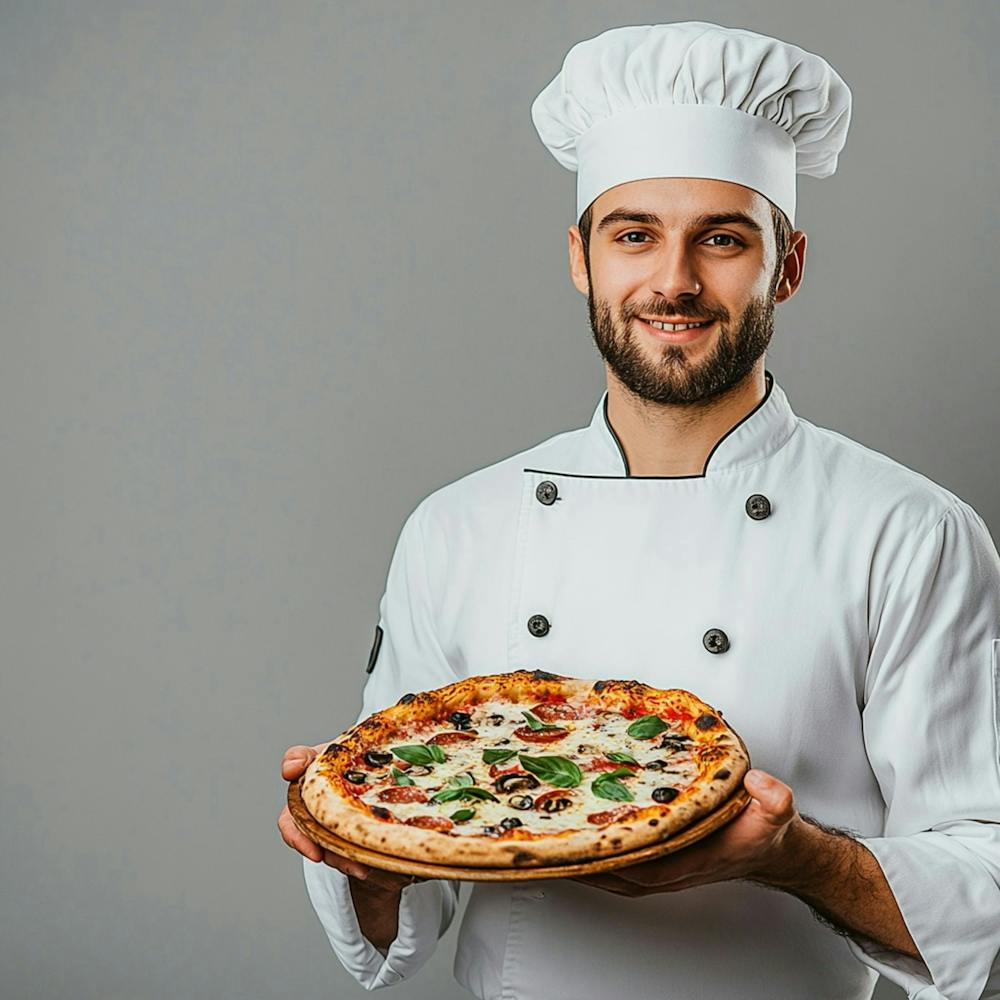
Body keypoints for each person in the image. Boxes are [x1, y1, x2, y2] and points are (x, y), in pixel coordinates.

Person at [277, 22, 1000, 1000]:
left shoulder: (910, 534)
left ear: (787, 266)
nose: (673, 281)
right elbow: (395, 923)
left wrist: (795, 856)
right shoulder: (456, 527)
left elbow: (986, 887)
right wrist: (360, 852)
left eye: (722, 238)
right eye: (634, 235)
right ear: (581, 258)